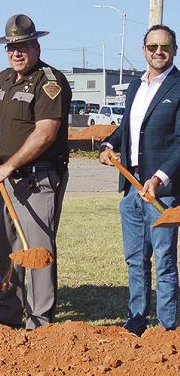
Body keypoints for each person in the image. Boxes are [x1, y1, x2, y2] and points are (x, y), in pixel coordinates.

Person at [0, 14, 71, 330]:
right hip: (8, 179)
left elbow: (46, 132)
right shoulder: (4, 79)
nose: (17, 53)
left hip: (38, 178)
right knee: (9, 246)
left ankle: (39, 320)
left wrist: (9, 166)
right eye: (11, 47)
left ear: (36, 45)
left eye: (23, 46)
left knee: (36, 249)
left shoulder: (50, 82)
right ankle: (7, 314)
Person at [100, 25, 180, 336]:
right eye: (152, 47)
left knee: (164, 261)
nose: (158, 51)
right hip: (132, 188)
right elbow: (126, 130)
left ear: (174, 50)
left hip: (164, 193)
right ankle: (135, 320)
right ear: (143, 50)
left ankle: (167, 328)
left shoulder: (178, 86)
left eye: (165, 46)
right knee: (135, 260)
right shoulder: (136, 86)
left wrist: (160, 178)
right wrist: (108, 145)